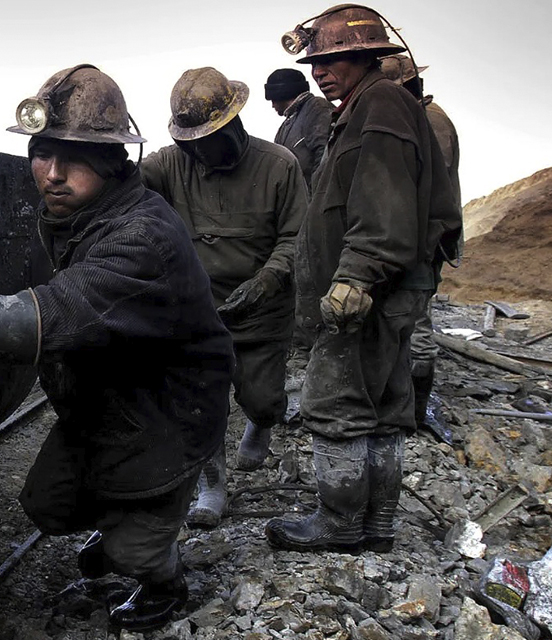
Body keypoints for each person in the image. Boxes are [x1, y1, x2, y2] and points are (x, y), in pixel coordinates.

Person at [0, 64, 233, 631]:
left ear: (112, 161)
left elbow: (54, 312)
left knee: (132, 554)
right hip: (107, 395)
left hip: (167, 409)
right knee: (48, 506)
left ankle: (163, 575)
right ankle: (129, 521)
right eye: (41, 153)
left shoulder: (143, 237)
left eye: (73, 159)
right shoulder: (80, 213)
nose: (51, 174)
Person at [265, 4, 461, 553]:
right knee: (383, 407)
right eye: (315, 63)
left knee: (334, 403)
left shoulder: (378, 104)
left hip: (369, 293)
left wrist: (356, 274)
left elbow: (383, 201)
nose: (319, 71)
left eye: (332, 59)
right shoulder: (370, 107)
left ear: (365, 55)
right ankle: (377, 526)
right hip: (388, 290)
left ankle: (341, 523)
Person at [140, 68, 308, 528]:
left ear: (232, 123)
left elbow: (297, 237)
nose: (195, 149)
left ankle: (261, 420)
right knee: (200, 402)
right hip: (200, 310)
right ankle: (212, 484)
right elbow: (122, 187)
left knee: (262, 395)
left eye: (205, 138)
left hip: (263, 307)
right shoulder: (171, 163)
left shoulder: (279, 165)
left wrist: (267, 280)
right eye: (188, 140)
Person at [380, 54, 462, 444]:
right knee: (409, 320)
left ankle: (415, 410)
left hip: (423, 242)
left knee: (418, 323)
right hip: (417, 237)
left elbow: (425, 190)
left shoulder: (430, 122)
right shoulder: (423, 117)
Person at [264, 68, 334, 188]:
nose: (272, 105)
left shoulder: (317, 108)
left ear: (282, 93)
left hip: (315, 198)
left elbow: (325, 155)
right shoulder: (286, 125)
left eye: (273, 99)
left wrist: (316, 198)